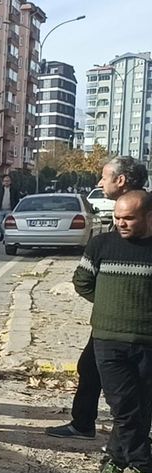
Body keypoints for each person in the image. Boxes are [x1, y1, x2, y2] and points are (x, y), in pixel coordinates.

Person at [47, 156, 149, 440]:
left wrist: (119, 303)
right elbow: (88, 281)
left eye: (104, 177)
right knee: (89, 367)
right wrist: (110, 301)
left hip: (133, 331)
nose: (99, 183)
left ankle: (127, 448)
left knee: (130, 389)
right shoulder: (114, 229)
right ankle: (84, 423)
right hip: (110, 322)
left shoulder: (141, 218)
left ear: (121, 180)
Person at [74, 190, 152, 473]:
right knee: (122, 406)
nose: (120, 223)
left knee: (141, 406)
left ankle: (115, 461)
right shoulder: (101, 245)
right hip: (107, 340)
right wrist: (109, 305)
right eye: (118, 217)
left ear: (148, 217)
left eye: (129, 218)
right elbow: (82, 281)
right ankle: (144, 467)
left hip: (147, 341)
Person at [0, 174, 23, 242]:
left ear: (10, 182)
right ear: (2, 182)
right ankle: (2, 233)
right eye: (5, 181)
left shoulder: (14, 190)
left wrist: (17, 209)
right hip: (0, 210)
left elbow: (17, 200)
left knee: (7, 225)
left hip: (10, 211)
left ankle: (6, 238)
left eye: (8, 181)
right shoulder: (0, 190)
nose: (6, 182)